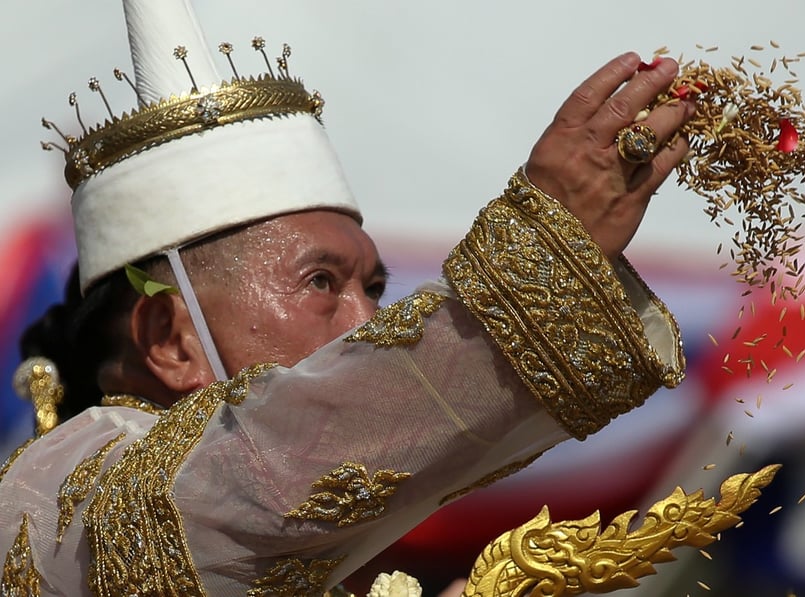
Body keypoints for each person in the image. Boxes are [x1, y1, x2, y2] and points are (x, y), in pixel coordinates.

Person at [0, 0, 693, 594]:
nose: (369, 319)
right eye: (321, 282)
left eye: (376, 287)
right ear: (169, 337)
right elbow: (263, 467)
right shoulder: (83, 490)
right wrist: (547, 239)